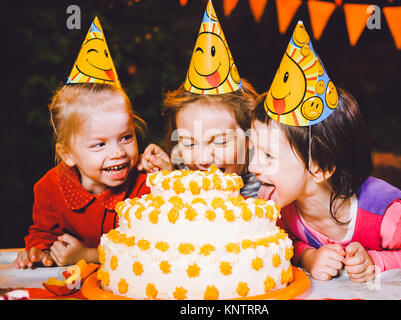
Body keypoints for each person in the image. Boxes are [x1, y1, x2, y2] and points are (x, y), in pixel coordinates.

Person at [248, 21, 401, 283]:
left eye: (268, 156)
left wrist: (375, 262)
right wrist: (309, 257)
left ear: (320, 167)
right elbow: (286, 241)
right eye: (253, 151)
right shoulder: (282, 205)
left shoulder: (383, 215)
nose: (252, 166)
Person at [14, 18, 151, 268]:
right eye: (99, 144)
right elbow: (44, 235)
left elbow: (152, 249)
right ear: (67, 154)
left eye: (126, 137)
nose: (118, 152)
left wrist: (87, 256)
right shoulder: (50, 188)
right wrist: (38, 252)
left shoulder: (145, 188)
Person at [139, 0, 261, 198]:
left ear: (250, 139)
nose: (203, 159)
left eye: (220, 142)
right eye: (188, 144)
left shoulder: (269, 186)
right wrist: (169, 177)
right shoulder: (182, 168)